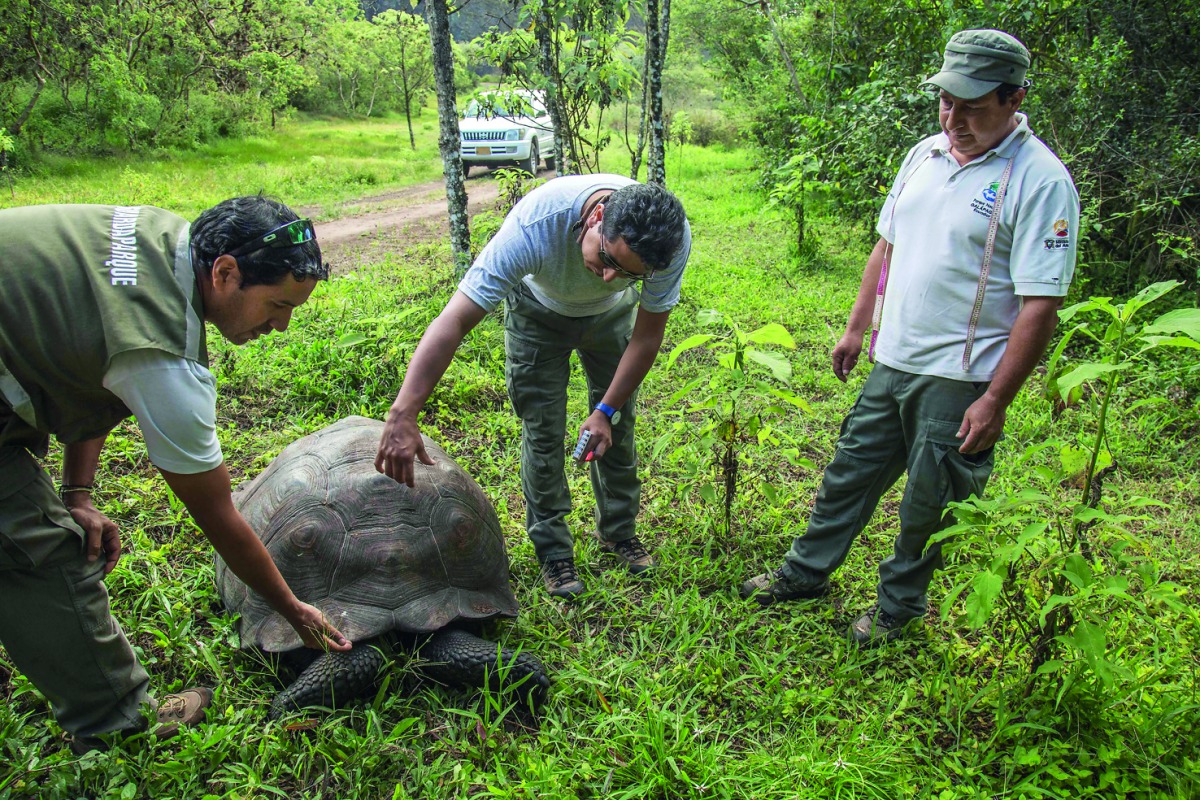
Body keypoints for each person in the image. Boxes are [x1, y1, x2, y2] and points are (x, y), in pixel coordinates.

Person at [740, 29, 1080, 647]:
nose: (954, 117)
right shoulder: (924, 154)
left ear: (1014, 98)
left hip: (960, 376)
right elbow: (887, 245)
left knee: (930, 501)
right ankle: (805, 572)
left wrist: (995, 400)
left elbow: (1041, 305)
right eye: (946, 101)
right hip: (892, 359)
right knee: (848, 473)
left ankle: (898, 611)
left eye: (973, 105)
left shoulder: (1041, 180)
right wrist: (856, 325)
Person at [0, 197, 352, 753]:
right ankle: (113, 722)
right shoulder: (166, 362)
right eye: (277, 304)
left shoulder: (164, 239)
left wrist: (79, 491)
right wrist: (290, 608)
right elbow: (216, 514)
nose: (281, 326)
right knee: (39, 550)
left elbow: (97, 358)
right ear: (226, 272)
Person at [375, 175, 690, 599]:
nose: (609, 277)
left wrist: (606, 411)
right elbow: (453, 320)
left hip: (612, 321)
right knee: (542, 432)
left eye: (628, 275)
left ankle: (619, 532)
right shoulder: (535, 225)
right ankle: (554, 551)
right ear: (597, 217)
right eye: (606, 258)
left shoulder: (668, 243)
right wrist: (404, 411)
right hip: (537, 314)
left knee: (618, 426)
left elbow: (647, 337)